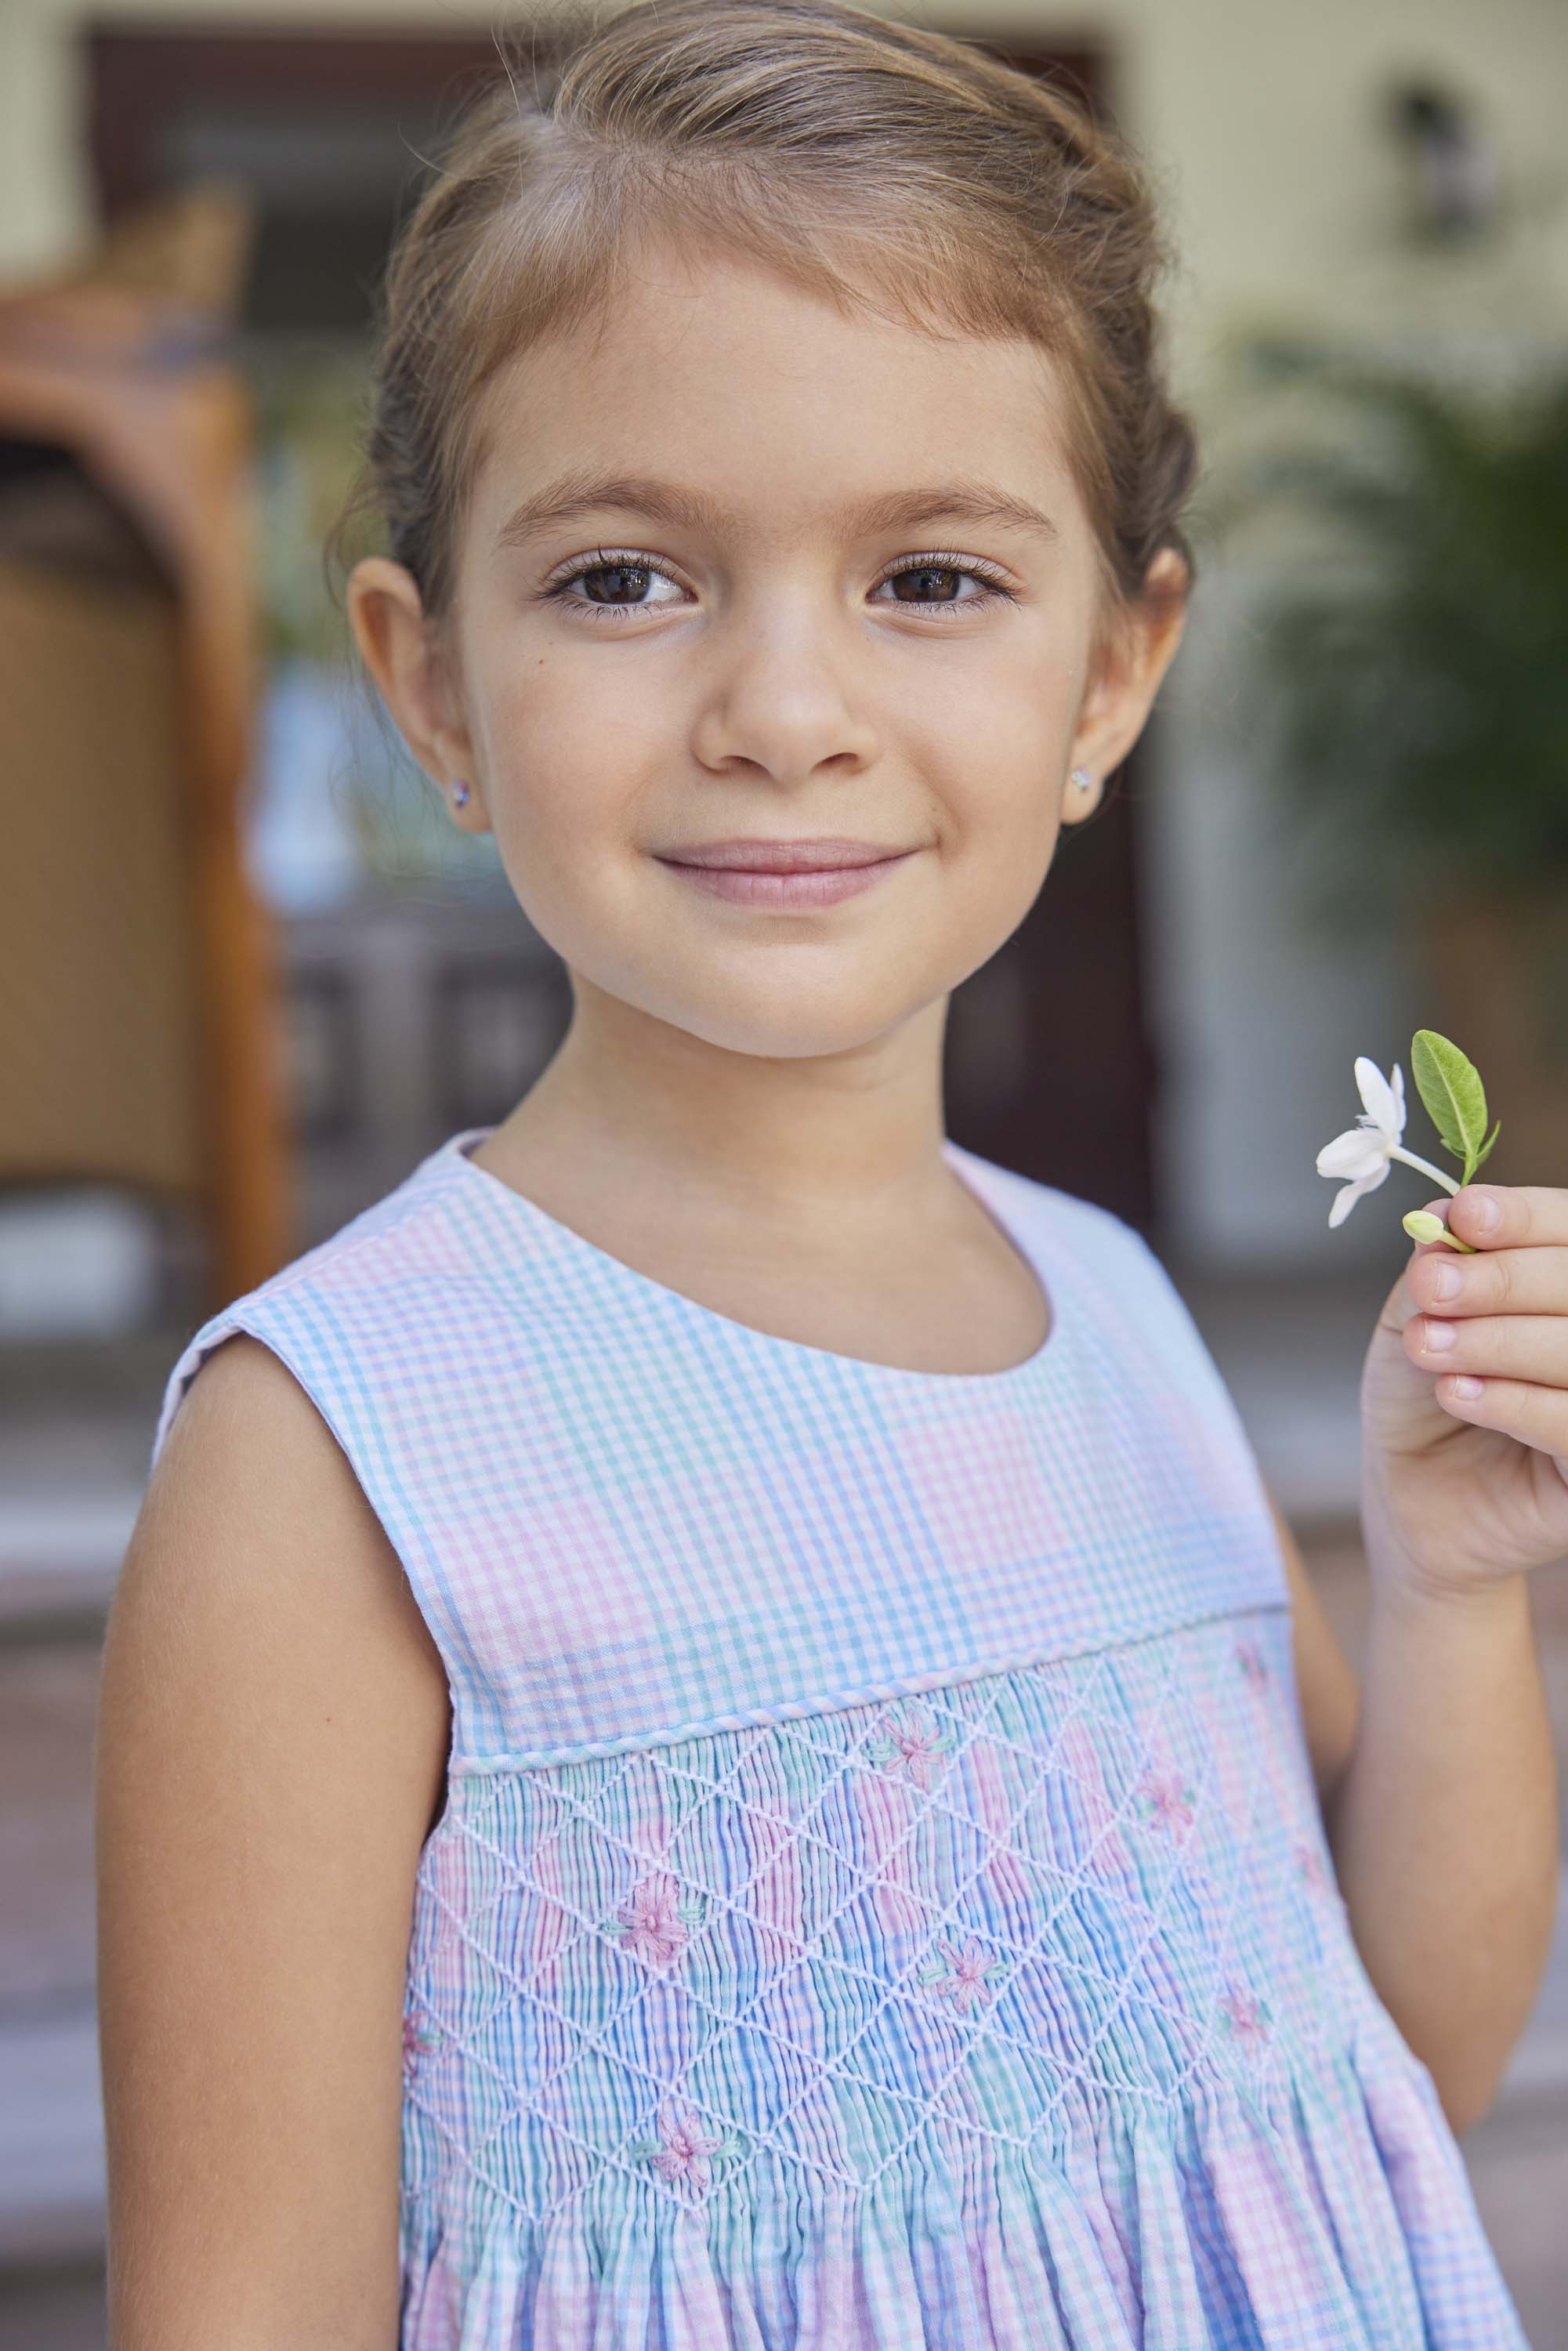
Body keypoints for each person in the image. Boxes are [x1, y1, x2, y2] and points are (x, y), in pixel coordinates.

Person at [95, 2, 1565, 2343]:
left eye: (932, 582)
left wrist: (1454, 1581)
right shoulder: (339, 1458)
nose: (787, 710)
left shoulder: (1117, 1325)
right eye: (620, 579)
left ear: (1110, 675)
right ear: (433, 684)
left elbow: (1385, 2073)